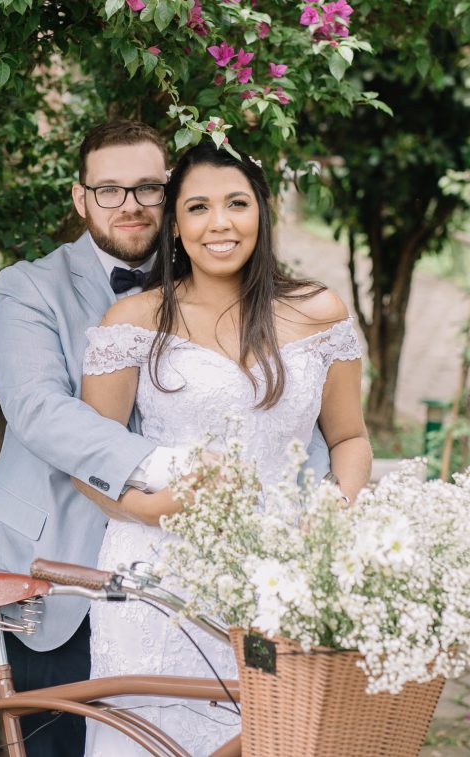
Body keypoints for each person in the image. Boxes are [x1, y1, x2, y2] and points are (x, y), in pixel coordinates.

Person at [77, 140, 372, 756]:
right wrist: (151, 509)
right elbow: (91, 466)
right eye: (199, 207)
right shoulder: (132, 320)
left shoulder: (318, 312)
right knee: (148, 740)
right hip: (155, 573)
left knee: (264, 734)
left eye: (236, 204)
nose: (220, 223)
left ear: (261, 214)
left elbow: (349, 438)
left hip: (277, 571)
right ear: (176, 226)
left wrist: (330, 517)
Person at [0, 119, 179, 757]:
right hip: (55, 563)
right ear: (80, 197)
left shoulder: (207, 278)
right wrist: (163, 465)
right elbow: (38, 410)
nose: (130, 206)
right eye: (110, 189)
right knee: (55, 744)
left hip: (174, 564)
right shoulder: (28, 285)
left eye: (147, 188)